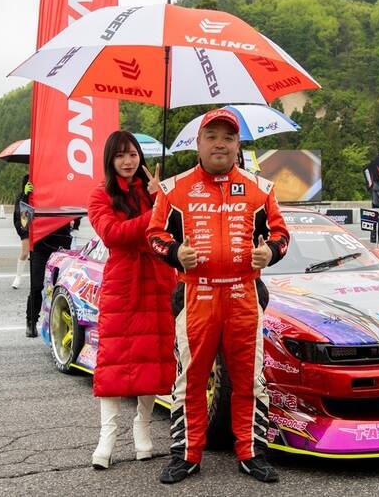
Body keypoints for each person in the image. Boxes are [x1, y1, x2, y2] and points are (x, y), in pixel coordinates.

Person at [147, 109, 290, 484]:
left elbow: (281, 235)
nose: (220, 144)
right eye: (212, 137)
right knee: (190, 380)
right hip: (196, 295)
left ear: (237, 144)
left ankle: (251, 452)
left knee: (250, 381)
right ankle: (186, 455)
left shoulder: (261, 188)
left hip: (245, 295)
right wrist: (175, 252)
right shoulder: (173, 189)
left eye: (228, 137)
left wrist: (270, 252)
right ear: (198, 143)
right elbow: (154, 236)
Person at [87, 131, 175, 469]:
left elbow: (173, 229)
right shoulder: (100, 194)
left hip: (158, 279)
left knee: (151, 357)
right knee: (113, 360)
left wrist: (159, 198)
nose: (128, 161)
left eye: (133, 154)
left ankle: (143, 428)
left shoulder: (153, 191)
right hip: (123, 283)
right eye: (120, 155)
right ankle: (107, 436)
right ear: (110, 160)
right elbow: (113, 234)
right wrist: (154, 213)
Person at [24, 188, 74, 338]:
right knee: (36, 286)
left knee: (61, 287)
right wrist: (25, 196)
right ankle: (31, 321)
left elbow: (76, 203)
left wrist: (74, 220)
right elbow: (21, 218)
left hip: (61, 242)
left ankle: (59, 324)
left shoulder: (65, 183)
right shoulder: (32, 181)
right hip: (40, 243)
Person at [11, 175, 30, 289]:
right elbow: (19, 212)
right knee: (25, 252)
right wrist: (25, 195)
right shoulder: (21, 196)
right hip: (26, 225)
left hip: (39, 225)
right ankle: (18, 277)